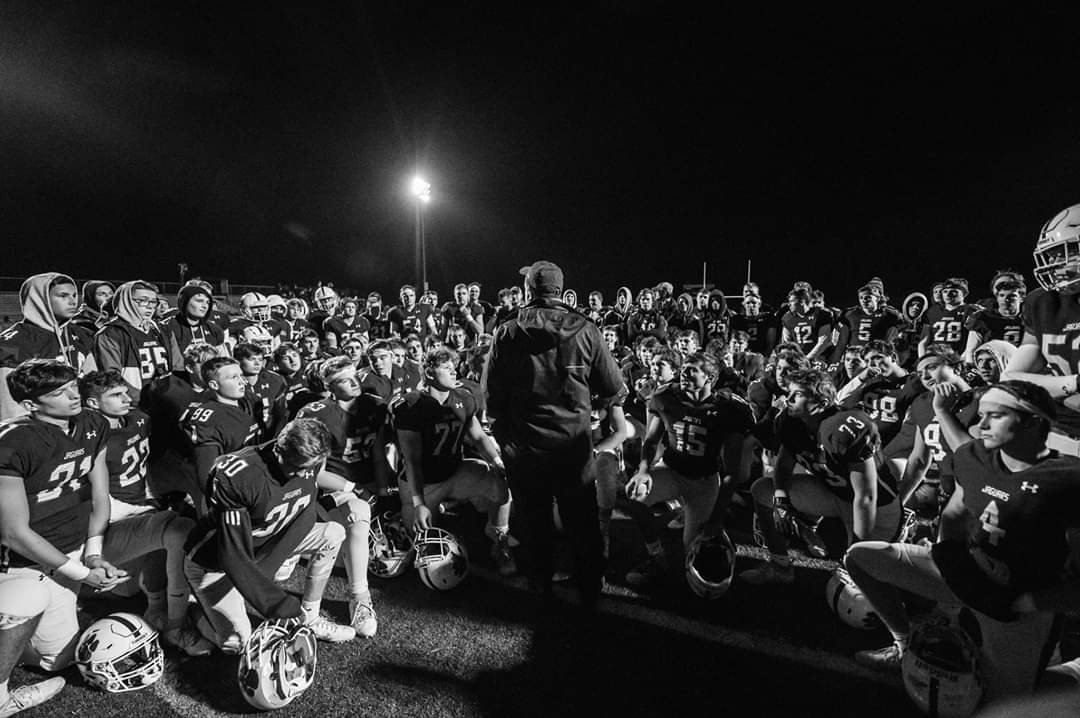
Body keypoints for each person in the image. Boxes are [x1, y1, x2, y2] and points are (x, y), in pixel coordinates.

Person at [844, 381, 1080, 705]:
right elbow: (954, 515)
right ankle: (902, 643)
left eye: (994, 416)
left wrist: (1022, 602)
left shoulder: (1068, 480)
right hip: (971, 574)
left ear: (1033, 423)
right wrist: (953, 561)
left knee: (1009, 707)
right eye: (980, 415)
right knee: (860, 558)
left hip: (1017, 605)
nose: (980, 426)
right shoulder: (974, 458)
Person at [484, 260, 625, 611]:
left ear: (529, 290)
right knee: (582, 519)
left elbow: (492, 397)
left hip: (526, 445)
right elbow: (612, 387)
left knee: (535, 520)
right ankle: (589, 587)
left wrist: (506, 439)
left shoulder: (507, 330)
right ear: (560, 291)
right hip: (572, 445)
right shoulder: (587, 329)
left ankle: (540, 585)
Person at [183, 418, 356, 653]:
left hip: (262, 543)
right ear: (278, 449)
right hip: (214, 562)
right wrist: (275, 602)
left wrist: (266, 570)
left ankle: (311, 617)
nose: (301, 474)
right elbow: (232, 554)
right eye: (296, 466)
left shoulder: (311, 459)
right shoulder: (241, 475)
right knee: (238, 644)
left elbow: (305, 512)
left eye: (307, 467)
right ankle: (193, 610)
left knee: (333, 532)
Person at [0, 359, 125, 673]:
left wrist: (93, 555)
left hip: (68, 545)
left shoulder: (93, 424)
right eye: (59, 392)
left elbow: (99, 495)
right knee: (30, 596)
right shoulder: (14, 441)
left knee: (55, 659)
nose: (73, 395)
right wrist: (82, 574)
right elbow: (13, 533)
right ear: (30, 404)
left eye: (73, 386)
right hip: (18, 559)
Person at [77, 370, 211, 655]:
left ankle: (155, 602)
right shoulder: (83, 437)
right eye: (115, 395)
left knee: (172, 521)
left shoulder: (139, 419)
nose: (127, 398)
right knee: (177, 529)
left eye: (125, 392)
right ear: (91, 403)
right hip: (105, 525)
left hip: (136, 512)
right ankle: (174, 624)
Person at [740, 368, 904, 583]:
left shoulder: (845, 427)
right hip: (834, 494)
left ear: (823, 402)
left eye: (798, 394)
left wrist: (856, 552)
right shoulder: (790, 421)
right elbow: (783, 465)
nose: (788, 399)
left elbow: (866, 496)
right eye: (789, 392)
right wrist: (781, 503)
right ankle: (780, 567)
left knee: (863, 583)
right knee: (763, 490)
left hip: (876, 508)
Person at [623, 352, 753, 587]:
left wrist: (717, 518)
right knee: (635, 495)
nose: (684, 373)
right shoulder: (666, 397)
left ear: (710, 377)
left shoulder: (729, 408)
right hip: (671, 470)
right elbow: (651, 441)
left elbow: (731, 472)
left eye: (693, 370)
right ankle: (655, 554)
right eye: (684, 369)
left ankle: (716, 537)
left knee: (693, 550)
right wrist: (642, 470)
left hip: (704, 482)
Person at [395, 348, 516, 576]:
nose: (454, 372)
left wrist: (498, 463)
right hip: (423, 483)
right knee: (422, 550)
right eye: (447, 368)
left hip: (455, 470)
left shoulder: (463, 397)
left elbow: (479, 437)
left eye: (454, 367)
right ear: (429, 373)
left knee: (500, 483)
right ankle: (404, 517)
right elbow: (412, 460)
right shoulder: (411, 405)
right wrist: (419, 503)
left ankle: (500, 541)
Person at [295, 356, 392, 635]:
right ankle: (360, 597)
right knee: (358, 511)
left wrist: (386, 491)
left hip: (365, 484)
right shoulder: (319, 414)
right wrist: (353, 488)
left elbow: (377, 452)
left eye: (354, 375)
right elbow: (315, 473)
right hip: (331, 489)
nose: (354, 382)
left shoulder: (372, 405)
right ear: (329, 387)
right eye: (343, 380)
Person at [0, 273, 93, 420]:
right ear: (41, 299)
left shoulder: (81, 335)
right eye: (63, 296)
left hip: (80, 421)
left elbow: (93, 382)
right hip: (40, 426)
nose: (72, 301)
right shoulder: (13, 342)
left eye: (74, 295)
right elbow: (11, 406)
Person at [93, 280, 170, 402]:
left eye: (153, 301)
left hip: (162, 402)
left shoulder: (159, 330)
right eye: (143, 300)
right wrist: (141, 400)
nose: (150, 306)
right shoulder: (110, 333)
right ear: (126, 301)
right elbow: (112, 377)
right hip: (133, 404)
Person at [159, 283, 226, 370]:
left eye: (207, 302)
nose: (205, 306)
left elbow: (223, 362)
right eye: (199, 301)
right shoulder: (168, 327)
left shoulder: (214, 329)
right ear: (184, 301)